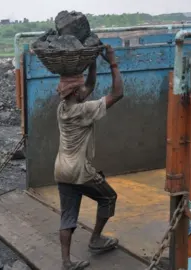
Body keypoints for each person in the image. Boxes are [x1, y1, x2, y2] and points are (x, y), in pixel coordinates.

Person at [55, 45, 124, 270]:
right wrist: (112, 62)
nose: (85, 89)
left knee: (68, 216)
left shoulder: (62, 108)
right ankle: (95, 239)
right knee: (108, 198)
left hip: (61, 170)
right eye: (80, 88)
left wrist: (93, 60)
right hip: (79, 170)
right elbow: (117, 93)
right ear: (75, 93)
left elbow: (90, 86)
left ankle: (66, 261)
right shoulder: (83, 111)